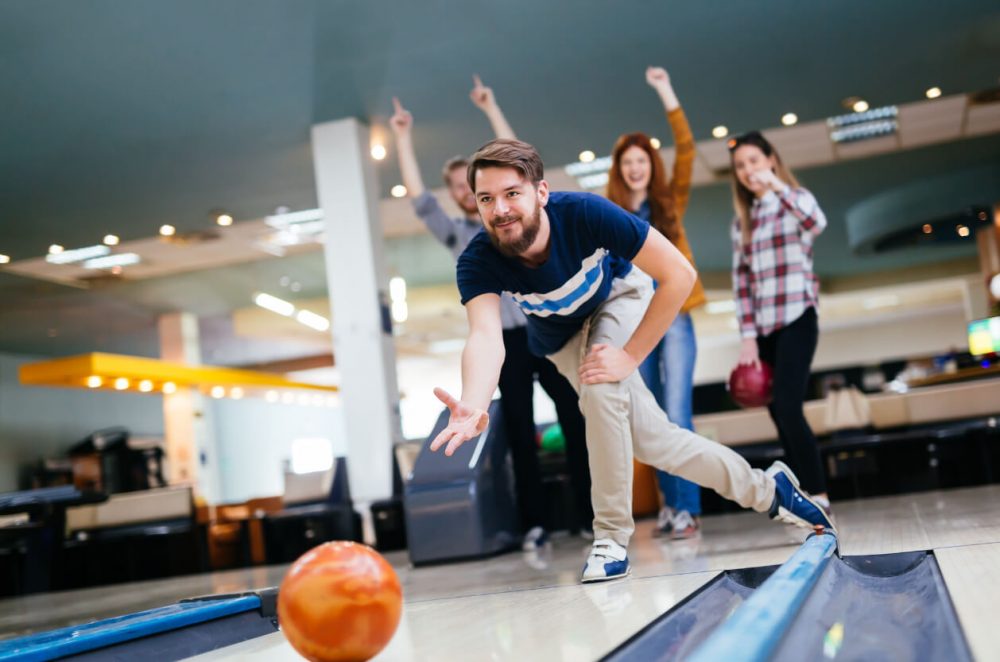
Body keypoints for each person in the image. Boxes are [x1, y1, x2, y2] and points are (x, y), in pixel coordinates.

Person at [430, 138, 835, 583]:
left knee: (602, 384)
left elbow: (679, 274)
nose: (500, 209)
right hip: (561, 340)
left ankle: (610, 537)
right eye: (487, 199)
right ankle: (770, 491)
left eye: (512, 194)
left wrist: (631, 355)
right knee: (657, 442)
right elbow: (487, 337)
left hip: (618, 298)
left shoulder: (586, 213)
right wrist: (474, 402)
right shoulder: (478, 258)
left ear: (540, 193)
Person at [389, 78, 594, 549]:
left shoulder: (515, 215)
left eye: (474, 184)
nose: (468, 193)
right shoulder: (461, 235)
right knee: (520, 431)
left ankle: (587, 515)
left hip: (545, 328)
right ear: (460, 196)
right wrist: (401, 136)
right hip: (503, 345)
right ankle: (537, 524)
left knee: (573, 417)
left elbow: (518, 158)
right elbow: (418, 199)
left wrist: (491, 106)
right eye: (461, 189)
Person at [605, 66, 704, 540]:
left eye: (641, 160)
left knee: (678, 411)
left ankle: (686, 508)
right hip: (636, 322)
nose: (635, 167)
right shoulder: (612, 213)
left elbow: (687, 149)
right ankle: (670, 507)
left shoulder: (669, 202)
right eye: (627, 162)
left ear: (650, 164)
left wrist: (666, 89)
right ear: (620, 170)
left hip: (677, 317)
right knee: (652, 418)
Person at [728, 130, 830, 513]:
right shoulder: (742, 223)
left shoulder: (796, 200)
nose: (748, 170)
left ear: (771, 160)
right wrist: (748, 338)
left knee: (788, 405)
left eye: (754, 161)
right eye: (740, 166)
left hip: (797, 315)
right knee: (777, 411)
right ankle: (803, 497)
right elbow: (742, 284)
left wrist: (776, 186)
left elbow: (816, 223)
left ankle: (818, 495)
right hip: (764, 327)